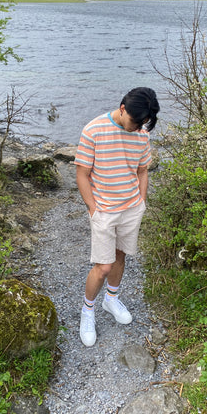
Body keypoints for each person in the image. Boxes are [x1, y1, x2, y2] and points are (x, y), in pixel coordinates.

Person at [74, 87, 160, 347]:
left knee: (121, 255)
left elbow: (142, 170)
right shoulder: (94, 130)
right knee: (103, 267)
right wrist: (93, 208)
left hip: (131, 208)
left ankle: (111, 299)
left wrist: (141, 202)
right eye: (135, 122)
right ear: (122, 108)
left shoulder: (141, 135)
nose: (137, 128)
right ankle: (87, 311)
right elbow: (81, 174)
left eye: (143, 123)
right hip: (104, 211)